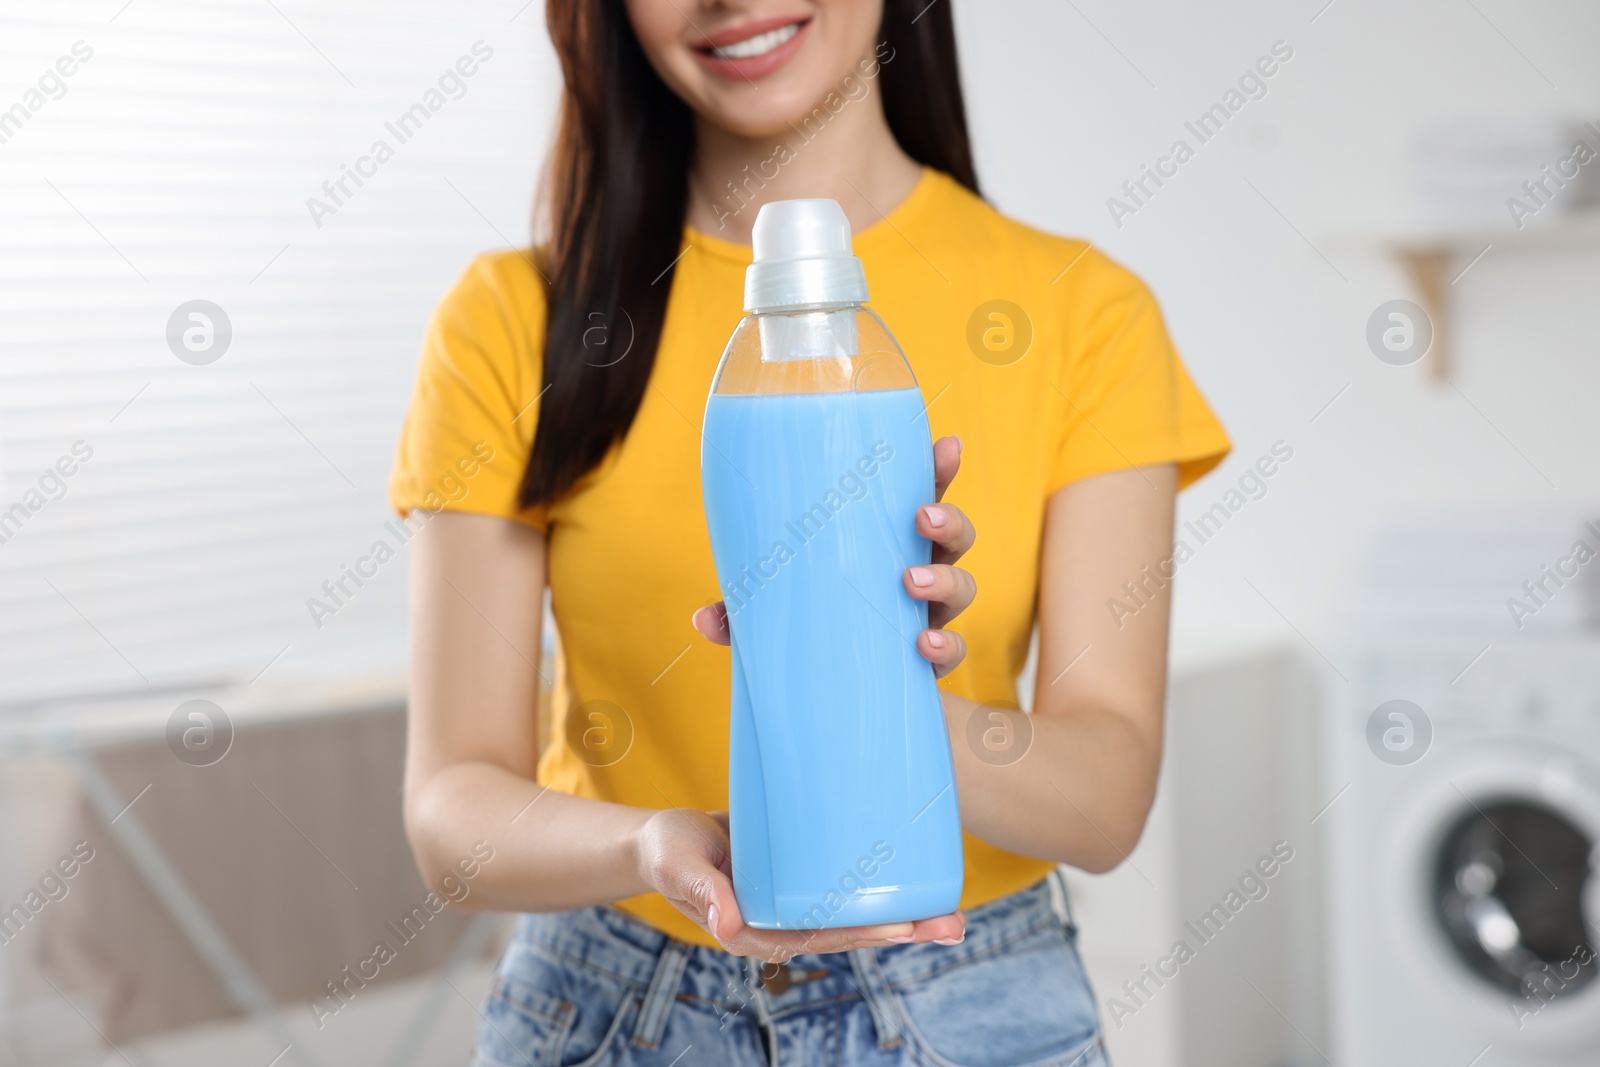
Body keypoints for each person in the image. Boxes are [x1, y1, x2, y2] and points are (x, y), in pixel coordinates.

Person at [390, 1, 1229, 1063]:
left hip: (965, 1002)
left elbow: (1106, 802)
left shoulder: (1080, 312)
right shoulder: (517, 320)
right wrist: (650, 845)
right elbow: (451, 811)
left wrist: (882, 687)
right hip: (614, 1005)